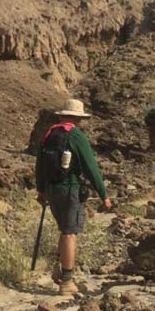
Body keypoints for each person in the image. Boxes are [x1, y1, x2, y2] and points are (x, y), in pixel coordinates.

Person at [35, 98, 112, 295]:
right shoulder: (75, 136)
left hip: (51, 190)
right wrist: (104, 195)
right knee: (70, 232)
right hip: (70, 190)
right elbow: (91, 167)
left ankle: (59, 269)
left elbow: (40, 164)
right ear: (78, 118)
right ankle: (67, 282)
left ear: (62, 115)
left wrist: (41, 190)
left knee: (64, 229)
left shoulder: (50, 133)